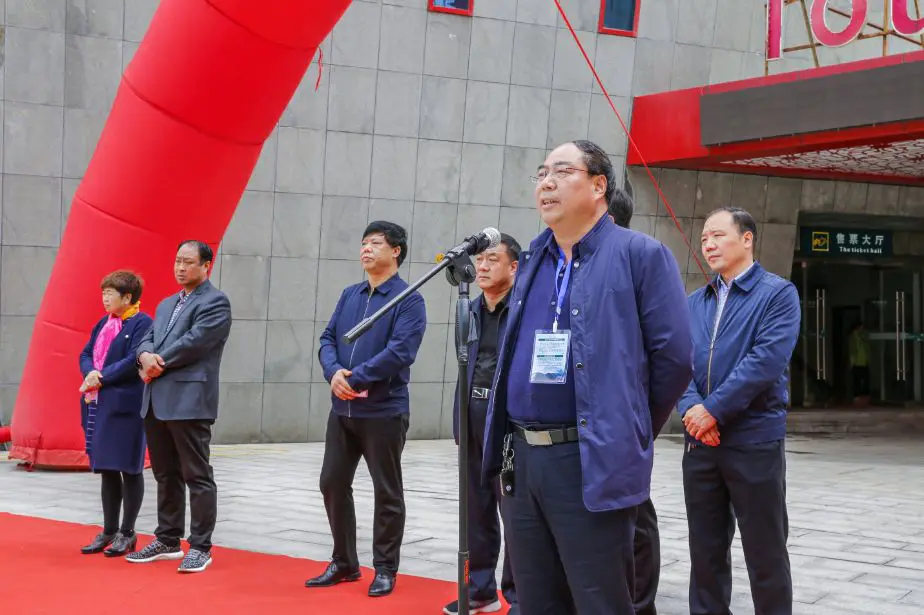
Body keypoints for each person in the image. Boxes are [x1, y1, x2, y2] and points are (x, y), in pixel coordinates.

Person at [481, 140, 693, 614]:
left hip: (589, 457)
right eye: (541, 173)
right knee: (535, 599)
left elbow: (675, 359)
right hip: (524, 458)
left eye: (561, 171)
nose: (546, 182)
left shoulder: (640, 255)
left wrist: (627, 426)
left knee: (599, 599)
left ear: (599, 185)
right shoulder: (536, 256)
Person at [679, 207, 801, 615]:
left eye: (717, 235)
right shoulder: (695, 301)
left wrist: (712, 410)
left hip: (753, 440)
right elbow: (677, 363)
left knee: (764, 548)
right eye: (703, 239)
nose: (708, 244)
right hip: (701, 444)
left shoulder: (778, 294)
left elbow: (765, 362)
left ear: (747, 239)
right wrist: (693, 408)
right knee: (705, 549)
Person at [307, 221, 427, 598]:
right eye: (363, 243)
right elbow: (328, 338)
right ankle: (344, 561)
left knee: (386, 491)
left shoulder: (409, 299)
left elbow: (400, 352)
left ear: (396, 251)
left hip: (383, 411)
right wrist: (333, 373)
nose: (366, 249)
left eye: (375, 243)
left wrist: (355, 378)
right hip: (342, 410)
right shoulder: (350, 295)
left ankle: (385, 568)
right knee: (331, 482)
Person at [127, 240, 232, 573]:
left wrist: (159, 360)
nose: (181, 267)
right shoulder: (166, 303)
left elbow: (197, 341)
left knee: (197, 475)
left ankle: (200, 545)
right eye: (177, 261)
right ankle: (168, 538)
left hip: (189, 402)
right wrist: (145, 356)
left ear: (206, 266)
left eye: (188, 262)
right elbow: (148, 336)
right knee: (165, 474)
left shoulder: (215, 302)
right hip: (156, 400)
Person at [443, 234, 521, 615]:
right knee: (476, 509)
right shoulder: (468, 309)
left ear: (514, 267)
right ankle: (480, 590)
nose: (484, 267)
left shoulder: (524, 310)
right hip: (472, 419)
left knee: (514, 512)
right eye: (481, 261)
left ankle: (519, 595)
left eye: (493, 259)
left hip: (506, 424)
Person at [608, 188, 660, 615]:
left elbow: (674, 358)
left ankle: (641, 603)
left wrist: (641, 421)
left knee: (636, 517)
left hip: (622, 422)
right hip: (580, 425)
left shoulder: (638, 262)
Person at [79, 270, 153, 557]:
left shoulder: (142, 323)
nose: (105, 298)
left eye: (110, 293)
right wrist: (90, 373)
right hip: (99, 402)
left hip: (126, 406)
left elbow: (131, 359)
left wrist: (100, 377)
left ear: (128, 297)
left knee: (129, 468)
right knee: (107, 468)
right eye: (103, 293)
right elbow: (85, 353)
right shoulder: (104, 322)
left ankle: (128, 532)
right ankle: (108, 530)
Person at [849, 322, 870, 406]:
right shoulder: (853, 337)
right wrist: (852, 362)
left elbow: (866, 347)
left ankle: (864, 395)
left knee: (865, 379)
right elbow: (852, 350)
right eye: (861, 327)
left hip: (864, 361)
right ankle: (856, 396)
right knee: (857, 380)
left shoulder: (863, 336)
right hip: (857, 362)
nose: (862, 329)